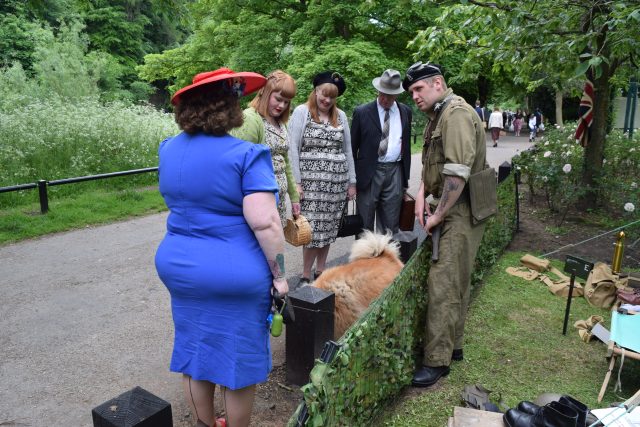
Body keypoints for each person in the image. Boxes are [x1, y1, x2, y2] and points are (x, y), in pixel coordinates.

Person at [155, 68, 289, 427]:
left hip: (179, 268)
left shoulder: (167, 150)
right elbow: (266, 223)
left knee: (196, 353)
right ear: (229, 107)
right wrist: (280, 277)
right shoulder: (248, 155)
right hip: (232, 273)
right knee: (237, 364)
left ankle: (203, 423)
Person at [402, 61, 488, 388]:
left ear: (437, 83)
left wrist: (437, 215)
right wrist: (423, 197)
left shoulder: (457, 115)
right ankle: (454, 346)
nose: (414, 97)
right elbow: (431, 167)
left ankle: (436, 361)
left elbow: (456, 173)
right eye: (411, 92)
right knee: (454, 281)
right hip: (451, 208)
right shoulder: (438, 115)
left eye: (418, 89)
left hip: (460, 211)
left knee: (444, 284)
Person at [288, 71, 356, 285]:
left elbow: (347, 151)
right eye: (323, 94)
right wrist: (296, 183)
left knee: (329, 229)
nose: (327, 100)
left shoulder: (341, 116)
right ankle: (306, 274)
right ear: (315, 91)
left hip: (335, 187)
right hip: (310, 186)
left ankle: (322, 270)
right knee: (311, 231)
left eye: (332, 97)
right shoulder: (302, 112)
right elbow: (292, 149)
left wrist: (351, 182)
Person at [231, 70, 300, 227]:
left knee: (274, 248)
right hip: (259, 201)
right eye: (278, 99)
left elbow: (286, 162)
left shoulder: (281, 123)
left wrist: (294, 197)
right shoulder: (251, 119)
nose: (282, 105)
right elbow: (238, 163)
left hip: (279, 201)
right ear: (265, 92)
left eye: (287, 102)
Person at [350, 69, 412, 234]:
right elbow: (351, 148)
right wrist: (352, 180)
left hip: (395, 171)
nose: (385, 98)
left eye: (390, 95)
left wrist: (405, 179)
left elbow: (406, 146)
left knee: (391, 225)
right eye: (383, 93)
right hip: (369, 173)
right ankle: (364, 259)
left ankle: (385, 259)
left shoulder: (405, 112)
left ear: (397, 94)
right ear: (378, 90)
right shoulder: (362, 112)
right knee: (365, 225)